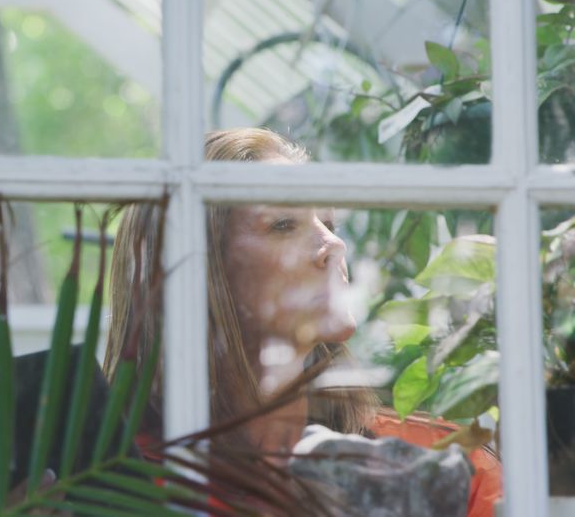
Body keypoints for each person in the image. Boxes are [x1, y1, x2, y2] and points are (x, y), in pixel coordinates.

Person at [101, 128, 502, 516]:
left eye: (328, 223)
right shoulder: (106, 490)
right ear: (194, 267)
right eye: (282, 224)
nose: (334, 244)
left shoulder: (438, 468)